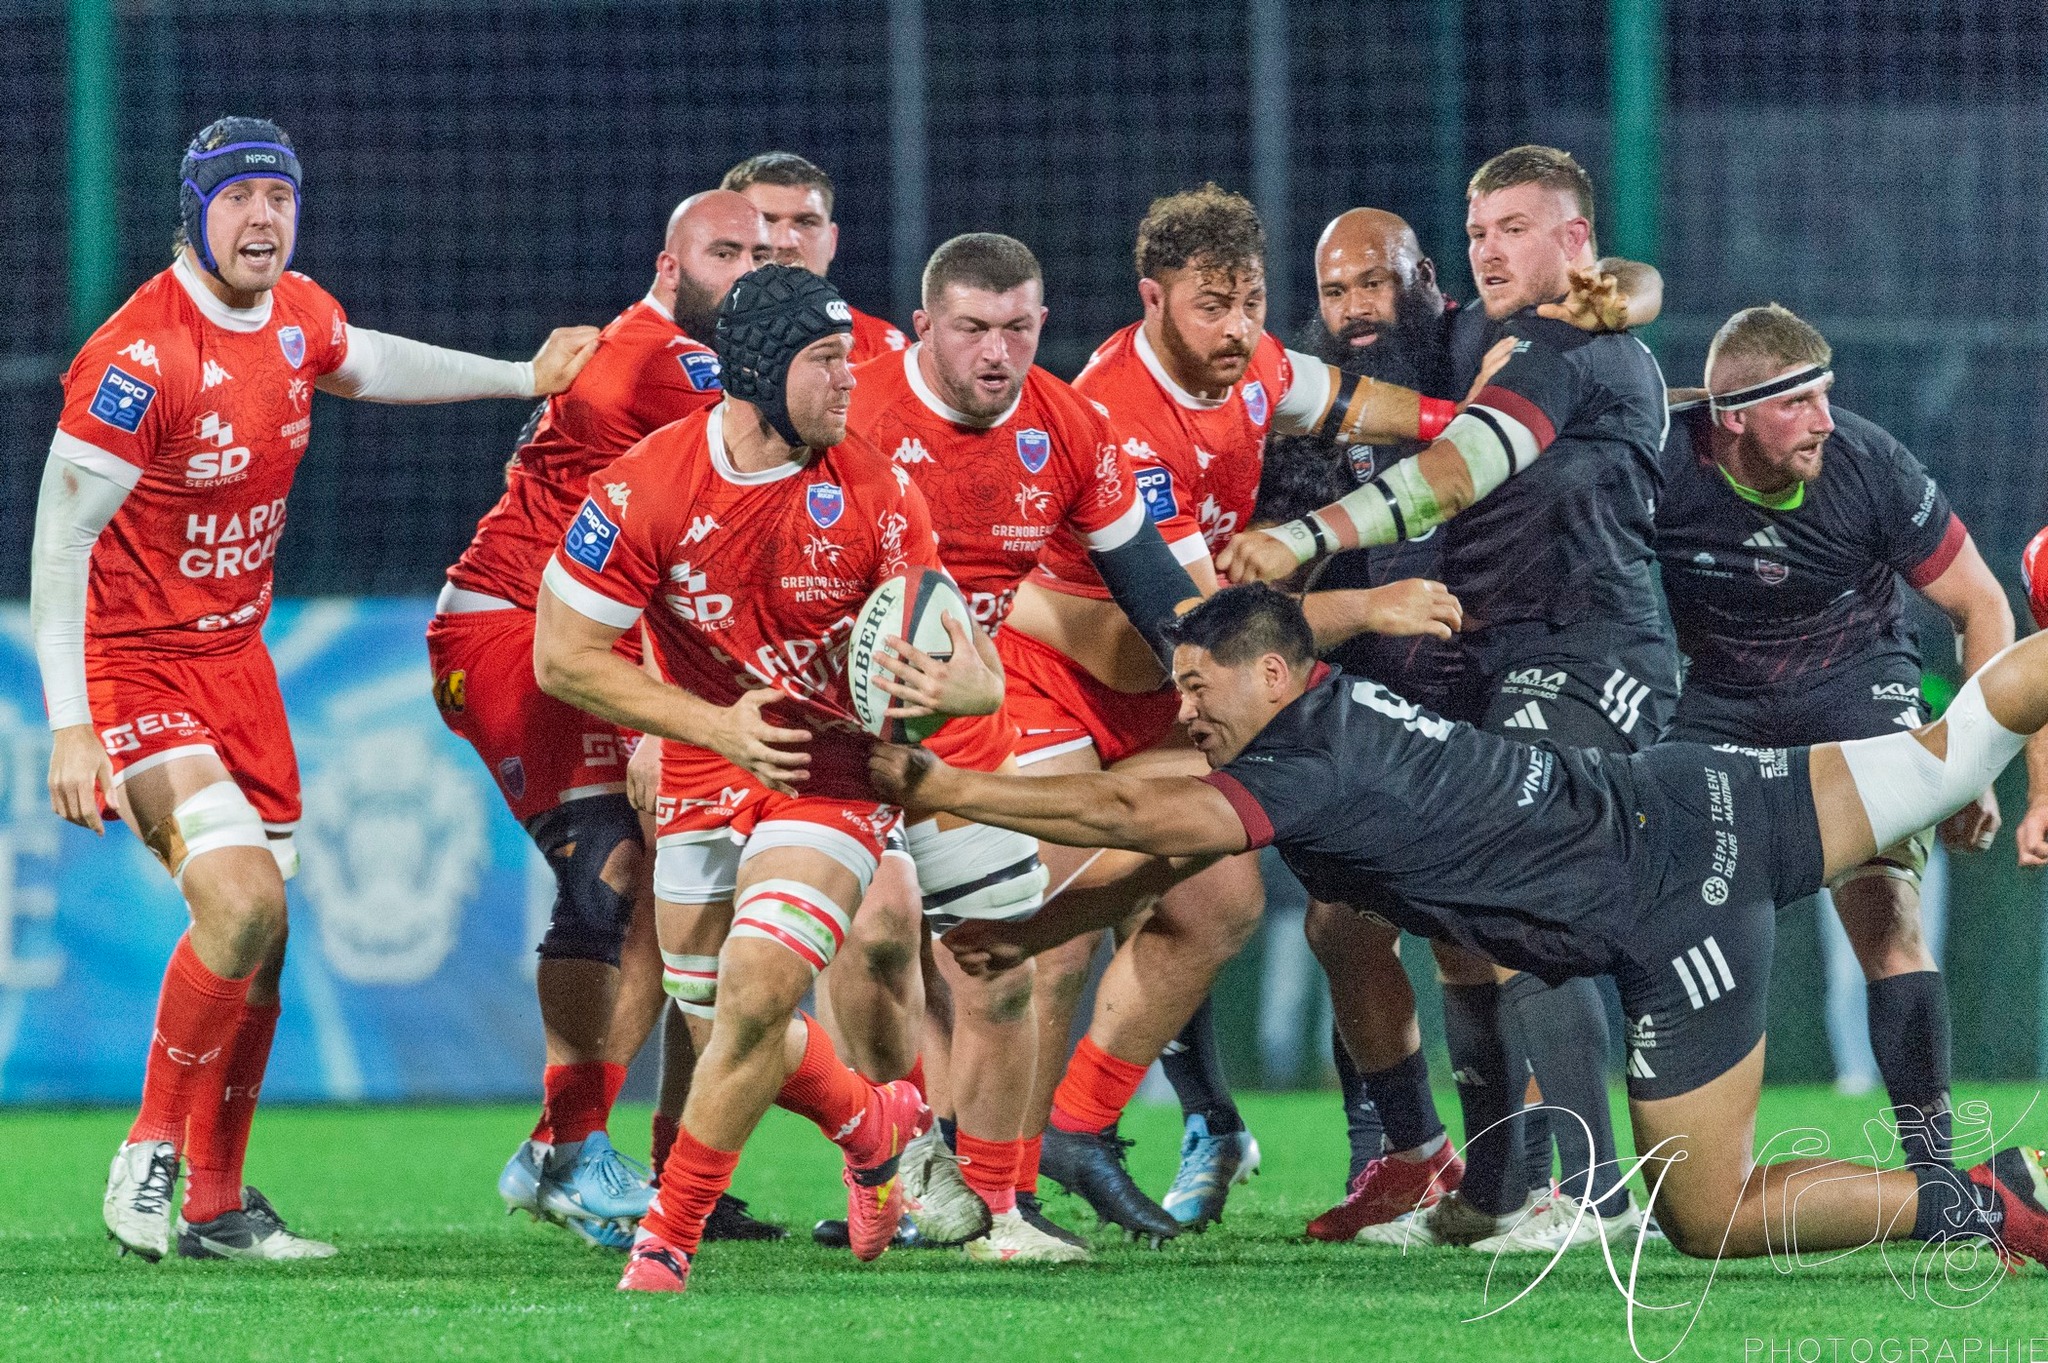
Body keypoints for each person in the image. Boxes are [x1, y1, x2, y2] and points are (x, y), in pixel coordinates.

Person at [876, 583, 2048, 1272]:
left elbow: (1130, 813)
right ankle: (1990, 1194)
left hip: (1675, 902)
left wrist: (940, 785)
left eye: (1196, 686)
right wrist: (1038, 932)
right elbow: (1167, 845)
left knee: (1705, 1215)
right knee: (1949, 751)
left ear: (1275, 673)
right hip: (1690, 791)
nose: (1183, 710)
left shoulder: (1307, 766)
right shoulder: (1318, 726)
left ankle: (1983, 1203)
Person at [37, 116, 598, 1262]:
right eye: (238, 198)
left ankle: (217, 1205)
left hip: (239, 668)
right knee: (241, 904)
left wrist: (520, 378)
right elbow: (60, 541)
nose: (263, 218)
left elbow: (369, 359)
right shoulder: (138, 360)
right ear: (193, 215)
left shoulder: (295, 316)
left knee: (268, 936)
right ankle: (148, 1150)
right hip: (133, 668)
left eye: (280, 198)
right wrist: (70, 726)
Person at [1227, 148, 1670, 1251]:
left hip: (1579, 658)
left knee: (1515, 900)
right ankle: (1482, 1182)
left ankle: (1597, 1193)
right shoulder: (1457, 349)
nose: (1489, 249)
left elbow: (1461, 465)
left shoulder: (1546, 344)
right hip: (1479, 671)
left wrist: (1303, 537)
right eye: (1479, 231)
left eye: (1512, 228)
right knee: (1407, 916)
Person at [531, 263, 997, 1294]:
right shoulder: (646, 485)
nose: (849, 381)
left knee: (757, 986)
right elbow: (560, 656)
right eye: (825, 360)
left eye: (848, 359)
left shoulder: (877, 491)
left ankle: (667, 1238)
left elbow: (969, 662)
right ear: (755, 369)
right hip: (708, 761)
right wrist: (708, 728)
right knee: (730, 1024)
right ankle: (871, 1123)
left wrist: (966, 682)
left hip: (831, 770)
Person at [828, 231, 1203, 1262]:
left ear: (1042, 323)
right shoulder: (851, 414)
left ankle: (996, 1209)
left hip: (964, 729)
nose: (996, 352)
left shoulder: (1070, 426)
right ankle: (891, 1151)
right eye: (971, 329)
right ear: (923, 327)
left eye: (1016, 328)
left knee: (998, 963)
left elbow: (1155, 593)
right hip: (825, 733)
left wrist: (1226, 679)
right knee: (870, 939)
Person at [428, 190, 773, 1248]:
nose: (748, 270)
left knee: (659, 879)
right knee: (611, 861)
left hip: (580, 635)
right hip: (511, 630)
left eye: (762, 253)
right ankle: (569, 1151)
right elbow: (738, 492)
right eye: (726, 252)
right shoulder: (672, 366)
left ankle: (579, 1149)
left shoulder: (664, 355)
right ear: (669, 267)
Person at [1654, 303, 2012, 1174]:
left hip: (1858, 685)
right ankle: (1661, 1178)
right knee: (1666, 917)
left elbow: (1982, 602)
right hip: (1721, 697)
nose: (1824, 419)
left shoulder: (1869, 463)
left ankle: (1935, 1175)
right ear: (1732, 418)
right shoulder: (1659, 459)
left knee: (1885, 908)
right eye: (1797, 403)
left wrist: (1973, 769)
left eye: (1825, 395)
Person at [721, 152, 907, 362]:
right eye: (765, 222)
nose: (786, 242)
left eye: (806, 222)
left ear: (832, 241)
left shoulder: (880, 348)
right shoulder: (694, 343)